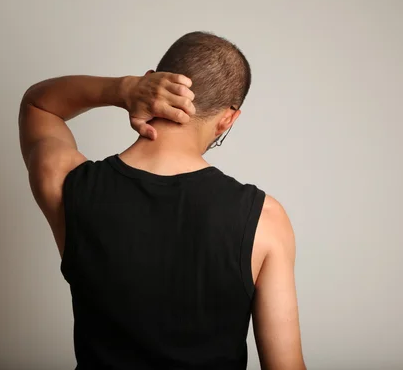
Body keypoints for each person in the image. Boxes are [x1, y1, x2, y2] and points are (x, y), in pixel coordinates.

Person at [18, 32, 305, 370]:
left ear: (150, 82)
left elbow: (38, 105)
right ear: (228, 118)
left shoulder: (69, 184)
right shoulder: (265, 220)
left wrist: (122, 89)